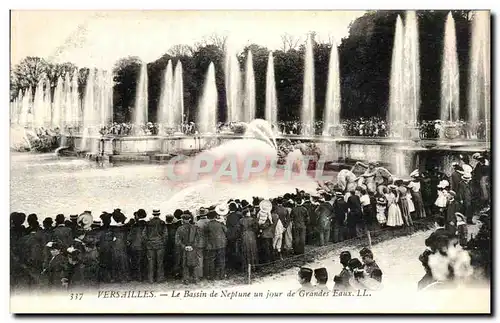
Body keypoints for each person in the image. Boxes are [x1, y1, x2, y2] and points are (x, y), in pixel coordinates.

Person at [143, 209, 168, 284]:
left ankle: (150, 279)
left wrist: (147, 241)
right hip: (160, 244)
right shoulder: (162, 223)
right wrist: (163, 242)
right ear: (159, 214)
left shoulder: (148, 223)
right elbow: (165, 235)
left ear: (153, 214)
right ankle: (159, 279)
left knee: (150, 262)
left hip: (150, 245)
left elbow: (144, 234)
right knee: (160, 262)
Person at [175, 213, 201, 284]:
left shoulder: (179, 228)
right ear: (189, 219)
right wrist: (192, 246)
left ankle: (186, 279)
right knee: (195, 263)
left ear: (182, 220)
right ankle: (196, 279)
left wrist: (184, 247)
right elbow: (198, 238)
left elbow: (177, 241)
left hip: (184, 249)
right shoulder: (195, 227)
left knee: (185, 264)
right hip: (193, 248)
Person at [205, 204, 228, 280]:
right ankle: (221, 275)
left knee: (211, 261)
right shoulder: (220, 224)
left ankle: (212, 276)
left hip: (211, 245)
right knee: (221, 260)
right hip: (221, 244)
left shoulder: (207, 225)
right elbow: (226, 231)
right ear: (215, 216)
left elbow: (205, 234)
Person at [127, 209, 147, 282]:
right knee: (143, 261)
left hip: (135, 246)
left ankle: (138, 277)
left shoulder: (135, 225)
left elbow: (130, 237)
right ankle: (143, 276)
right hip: (144, 246)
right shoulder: (147, 224)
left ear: (137, 215)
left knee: (135, 261)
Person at [238, 206, 259, 272]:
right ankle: (253, 266)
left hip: (244, 235)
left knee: (245, 250)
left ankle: (245, 267)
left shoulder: (241, 220)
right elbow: (256, 228)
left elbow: (239, 229)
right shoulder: (252, 219)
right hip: (251, 235)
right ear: (247, 213)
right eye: (249, 212)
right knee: (252, 250)